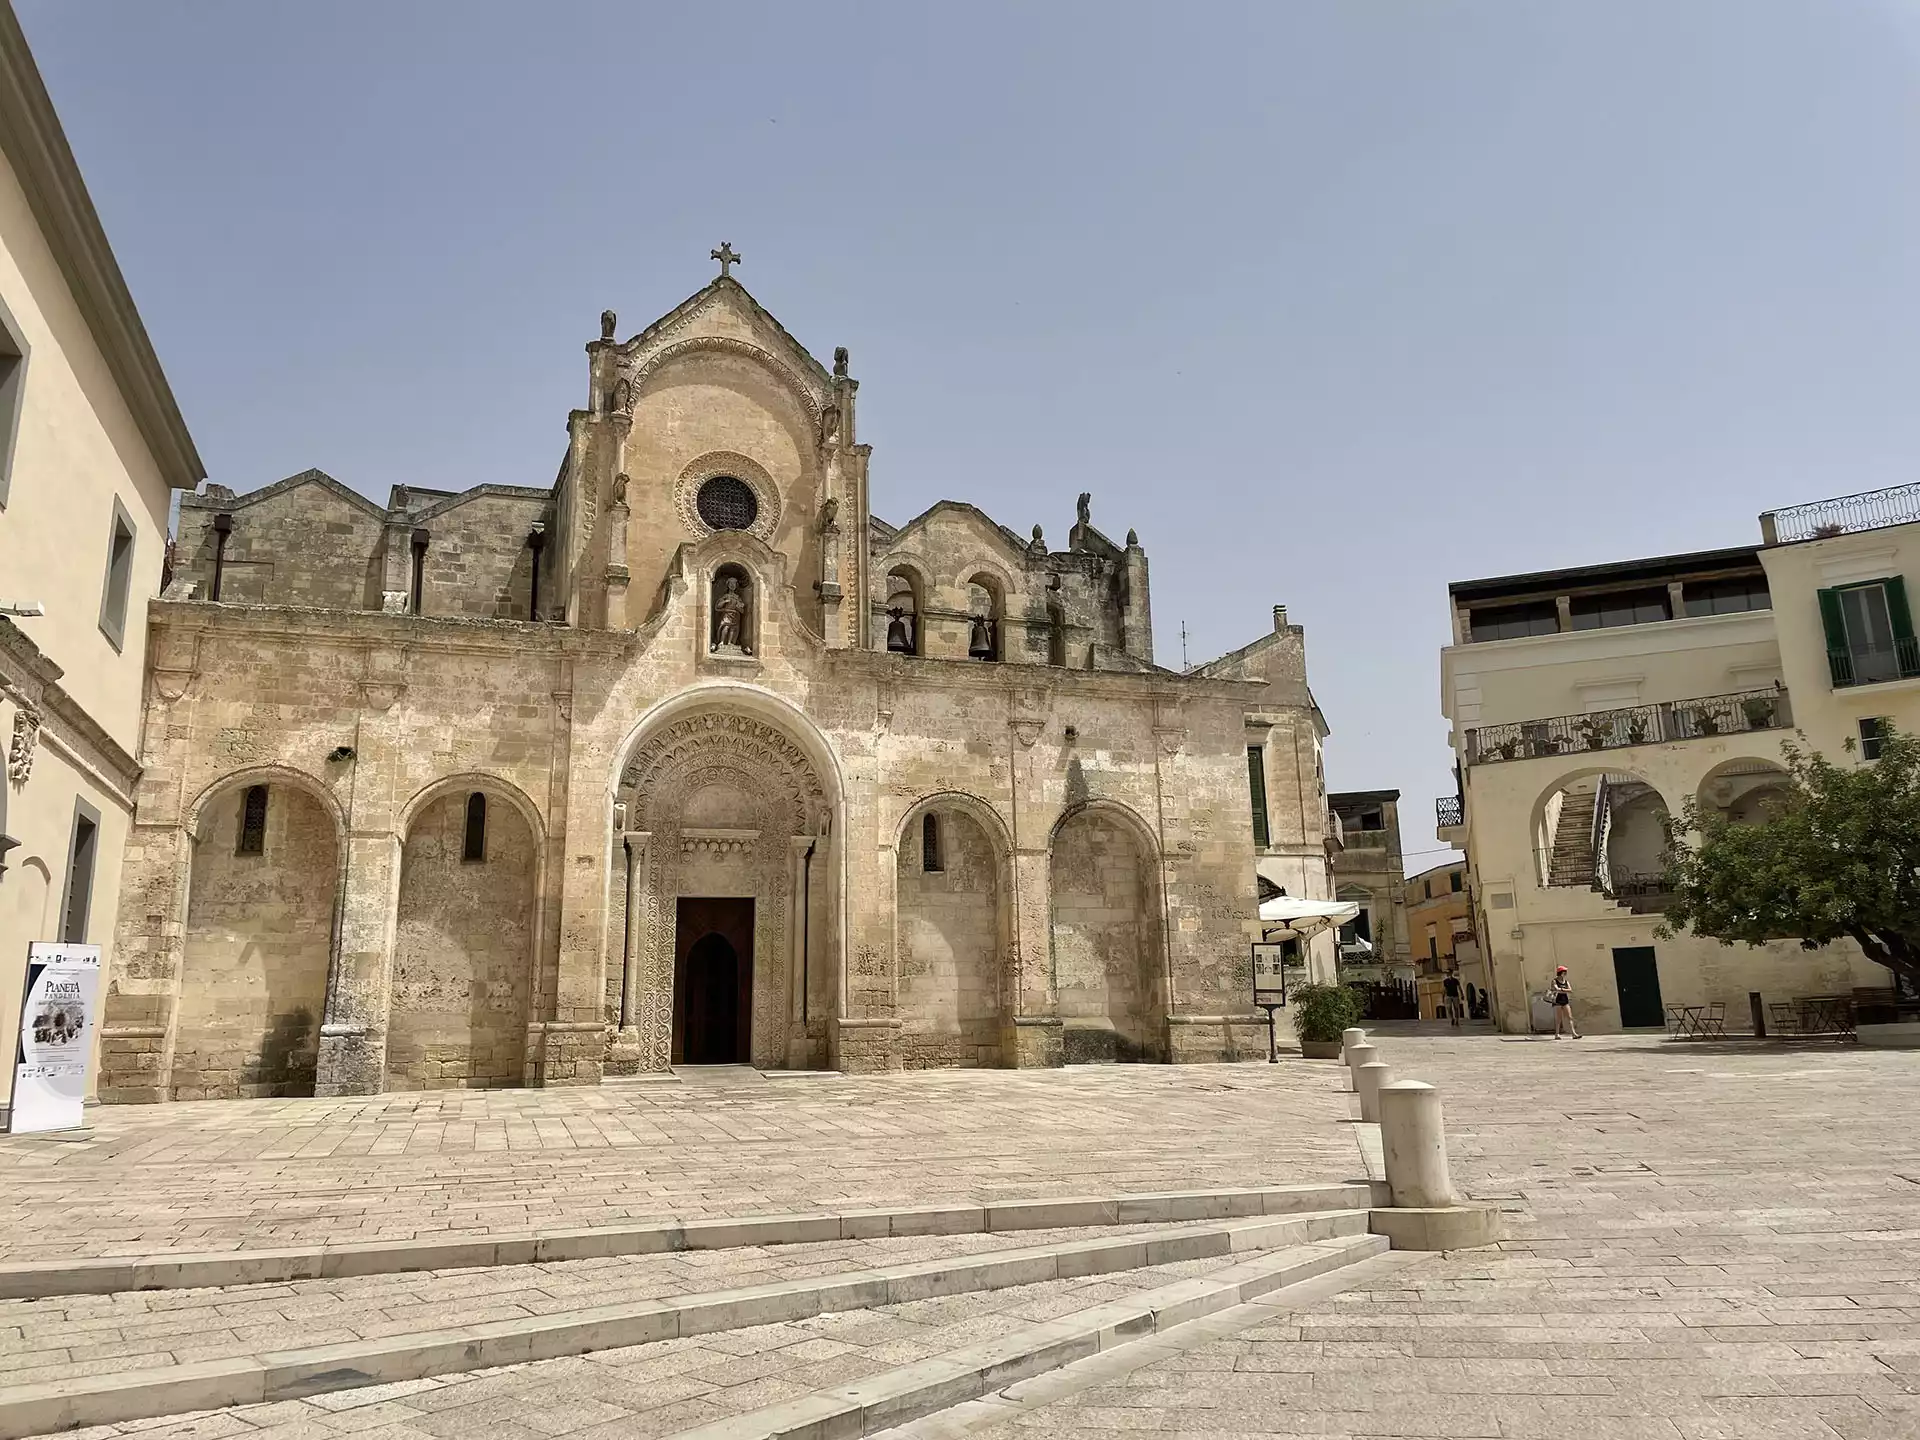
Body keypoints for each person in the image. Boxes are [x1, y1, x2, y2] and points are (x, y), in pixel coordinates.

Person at [1549, 965, 1581, 1039]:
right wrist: (1564, 990)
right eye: (1564, 972)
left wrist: (1561, 990)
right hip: (1557, 1000)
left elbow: (1570, 990)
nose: (1565, 973)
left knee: (1570, 1017)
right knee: (1559, 1018)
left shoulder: (1566, 981)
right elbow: (1556, 989)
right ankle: (1557, 1034)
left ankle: (1574, 1033)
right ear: (1561, 972)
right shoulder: (1554, 981)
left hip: (1565, 1000)